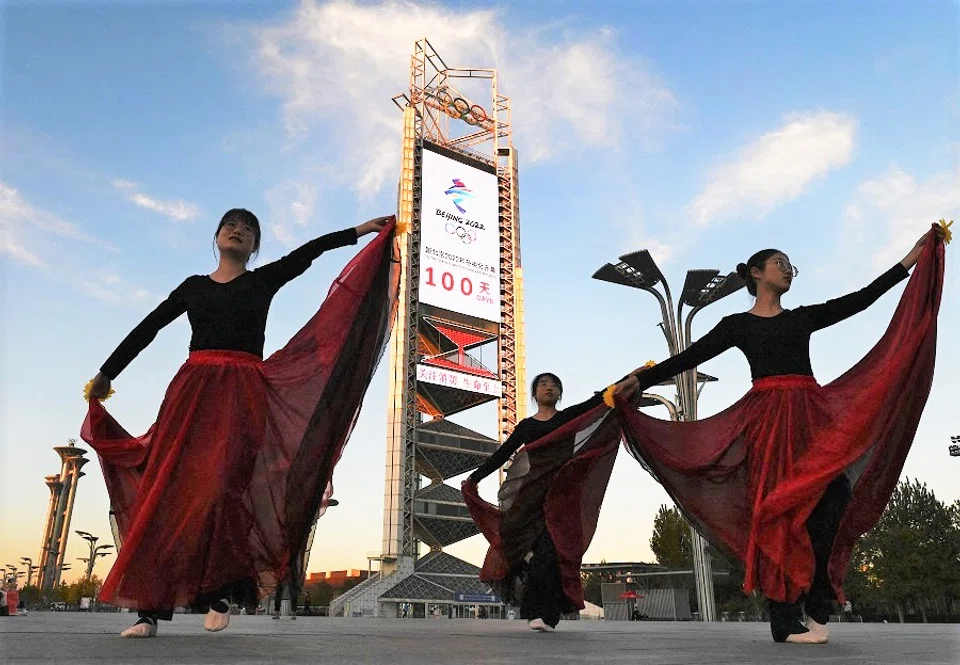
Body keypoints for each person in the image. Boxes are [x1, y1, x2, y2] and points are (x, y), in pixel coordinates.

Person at [615, 224, 947, 644]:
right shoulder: (737, 324)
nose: (788, 270)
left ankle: (816, 604)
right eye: (780, 264)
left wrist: (911, 259)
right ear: (756, 273)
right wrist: (640, 381)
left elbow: (860, 300)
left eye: (791, 266)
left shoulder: (803, 317)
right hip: (770, 424)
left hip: (811, 418)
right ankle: (785, 619)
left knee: (832, 502)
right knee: (779, 511)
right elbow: (689, 356)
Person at [81, 209, 400, 638]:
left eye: (249, 229)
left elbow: (307, 254)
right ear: (216, 236)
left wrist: (358, 232)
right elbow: (148, 327)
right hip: (192, 391)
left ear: (255, 246)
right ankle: (149, 613)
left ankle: (221, 592)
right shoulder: (193, 287)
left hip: (242, 391)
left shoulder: (261, 281)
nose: (239, 231)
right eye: (231, 225)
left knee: (222, 487)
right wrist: (107, 372)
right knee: (169, 492)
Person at [462, 372, 637, 632]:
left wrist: (633, 378)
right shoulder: (526, 426)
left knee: (551, 553)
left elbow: (598, 400)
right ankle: (540, 611)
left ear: (559, 393)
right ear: (534, 393)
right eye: (543, 384)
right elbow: (502, 454)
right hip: (530, 495)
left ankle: (543, 614)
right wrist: (475, 478)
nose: (549, 387)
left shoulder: (567, 418)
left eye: (554, 384)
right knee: (523, 549)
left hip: (560, 496)